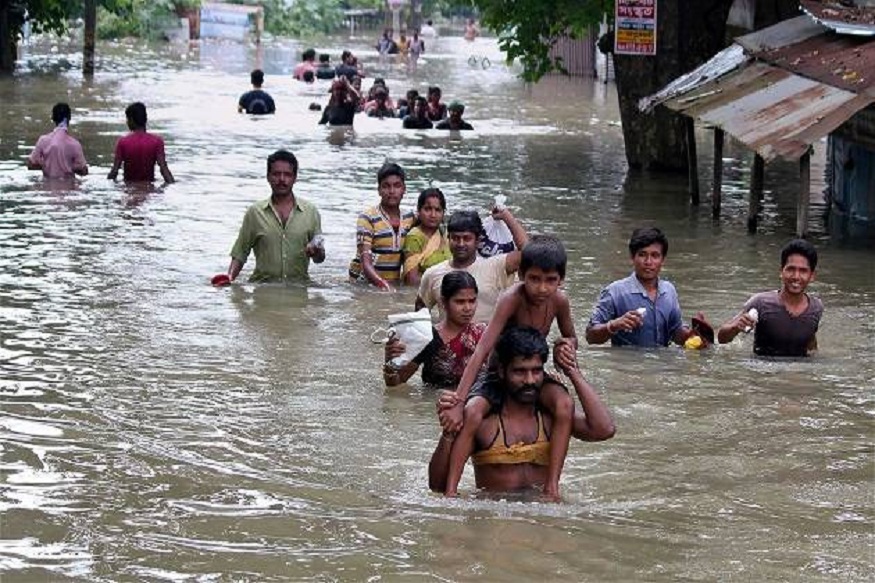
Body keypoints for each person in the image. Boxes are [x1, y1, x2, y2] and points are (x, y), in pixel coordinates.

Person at [439, 236, 578, 500]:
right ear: (521, 275)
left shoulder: (560, 301)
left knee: (565, 405)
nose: (542, 288)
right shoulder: (511, 298)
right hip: (497, 374)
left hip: (530, 374)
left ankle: (552, 487)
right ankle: (451, 491)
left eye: (550, 280)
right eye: (534, 279)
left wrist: (567, 345)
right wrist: (458, 400)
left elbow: (571, 336)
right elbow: (482, 350)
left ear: (561, 280)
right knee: (473, 411)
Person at [431, 326, 615, 497]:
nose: (529, 380)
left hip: (543, 514)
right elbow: (438, 486)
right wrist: (448, 432)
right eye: (519, 372)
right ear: (502, 371)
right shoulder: (482, 422)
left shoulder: (554, 417)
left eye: (536, 371)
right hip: (494, 516)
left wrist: (572, 371)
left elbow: (603, 429)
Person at [585, 227, 695, 347]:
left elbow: (676, 332)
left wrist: (693, 335)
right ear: (633, 257)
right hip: (627, 359)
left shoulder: (669, 291)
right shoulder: (615, 292)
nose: (648, 262)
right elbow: (590, 336)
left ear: (663, 260)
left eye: (655, 256)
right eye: (642, 255)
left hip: (663, 359)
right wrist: (614, 325)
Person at [227, 150, 325, 282]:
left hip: (299, 287)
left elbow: (319, 259)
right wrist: (229, 278)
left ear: (295, 178)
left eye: (287, 175)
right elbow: (240, 253)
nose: (282, 179)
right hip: (262, 287)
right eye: (276, 174)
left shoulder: (310, 212)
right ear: (268, 177)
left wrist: (316, 252)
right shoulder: (255, 213)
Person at [416, 209, 526, 323]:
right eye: (455, 238)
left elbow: (529, 253)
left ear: (477, 241)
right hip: (450, 334)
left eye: (467, 238)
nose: (461, 244)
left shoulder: (496, 266)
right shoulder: (432, 274)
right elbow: (419, 315)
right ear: (448, 239)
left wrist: (507, 217)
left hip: (489, 334)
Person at [717, 239, 823, 357]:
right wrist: (736, 327)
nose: (796, 276)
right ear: (781, 271)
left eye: (803, 271)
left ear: (812, 275)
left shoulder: (816, 308)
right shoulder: (761, 303)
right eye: (790, 269)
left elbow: (811, 342)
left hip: (799, 367)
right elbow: (721, 339)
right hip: (763, 367)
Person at [384, 271, 485, 388]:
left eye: (472, 301)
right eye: (460, 302)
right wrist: (390, 362)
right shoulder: (428, 337)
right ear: (443, 302)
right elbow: (396, 383)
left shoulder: (484, 335)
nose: (467, 308)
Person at [348, 163, 416, 290]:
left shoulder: (410, 219)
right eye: (386, 186)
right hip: (362, 285)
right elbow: (365, 263)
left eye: (397, 186)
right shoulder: (367, 218)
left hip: (392, 284)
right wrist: (384, 285)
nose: (392, 191)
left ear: (404, 189)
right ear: (379, 190)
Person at [107, 102, 174, 183]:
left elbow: (114, 171)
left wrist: (107, 183)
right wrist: (173, 183)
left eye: (127, 119)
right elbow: (164, 170)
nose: (127, 122)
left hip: (128, 187)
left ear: (131, 120)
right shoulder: (157, 141)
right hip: (149, 187)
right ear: (145, 119)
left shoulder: (123, 142)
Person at [26, 102, 88, 179]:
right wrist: (70, 166)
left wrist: (45, 165)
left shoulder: (43, 141)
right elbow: (84, 171)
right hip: (68, 184)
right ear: (69, 118)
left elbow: (31, 164)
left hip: (47, 184)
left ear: (53, 118)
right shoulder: (75, 144)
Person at [402, 187, 450, 286]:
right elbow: (412, 281)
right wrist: (446, 283)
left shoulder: (445, 234)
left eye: (438, 210)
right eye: (427, 209)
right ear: (419, 211)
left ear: (443, 213)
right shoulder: (414, 237)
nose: (433, 215)